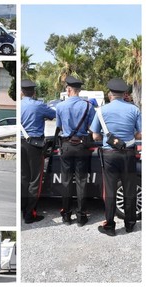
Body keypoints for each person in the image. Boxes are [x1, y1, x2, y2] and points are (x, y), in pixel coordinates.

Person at [90, 78, 141, 236]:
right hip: (129, 154)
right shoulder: (134, 110)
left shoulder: (101, 110)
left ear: (109, 94)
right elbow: (140, 133)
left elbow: (95, 136)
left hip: (109, 155)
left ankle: (110, 226)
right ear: (125, 94)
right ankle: (130, 224)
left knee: (110, 190)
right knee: (129, 189)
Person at [55, 75, 96, 226]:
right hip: (81, 146)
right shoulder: (88, 106)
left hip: (66, 145)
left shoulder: (60, 106)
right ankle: (81, 216)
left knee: (66, 181)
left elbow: (59, 126)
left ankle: (66, 215)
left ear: (69, 89)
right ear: (79, 90)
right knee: (81, 182)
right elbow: (93, 128)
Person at [20, 79, 56, 224]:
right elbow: (54, 114)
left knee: (23, 178)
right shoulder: (39, 105)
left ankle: (22, 209)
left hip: (20, 142)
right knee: (35, 180)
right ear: (34, 92)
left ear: (22, 92)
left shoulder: (18, 105)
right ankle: (30, 214)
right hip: (34, 145)